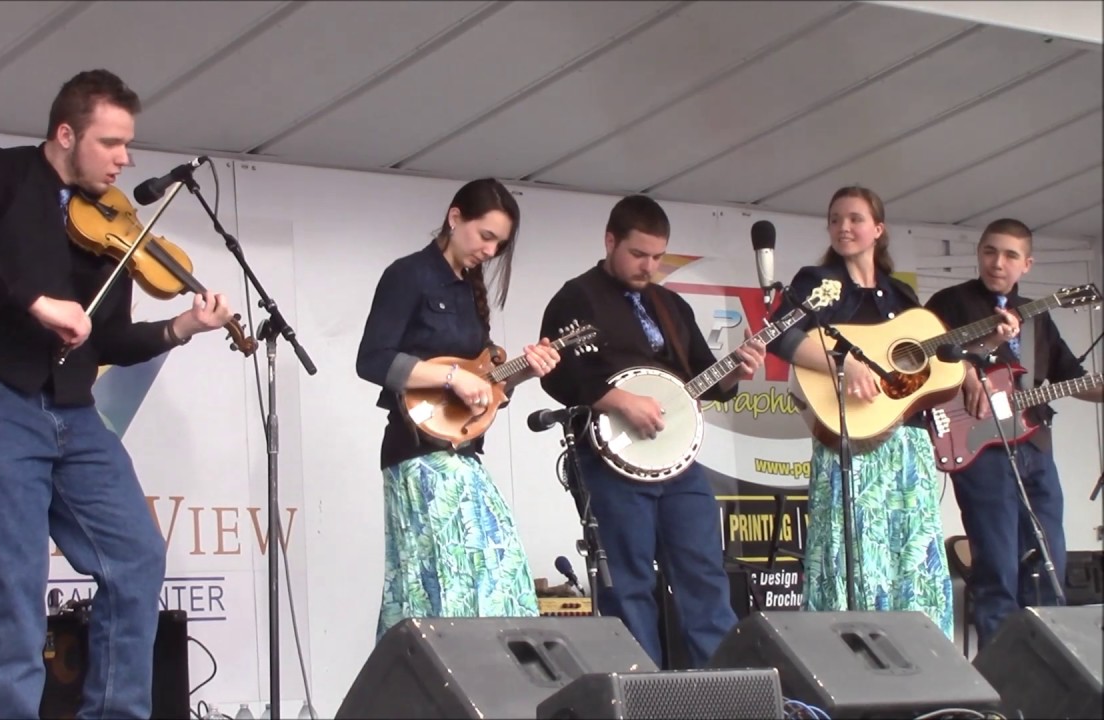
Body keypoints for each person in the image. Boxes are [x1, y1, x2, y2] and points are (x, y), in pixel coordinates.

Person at [0, 69, 235, 719]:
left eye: (128, 145)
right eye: (111, 143)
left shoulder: (109, 226)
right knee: (13, 590)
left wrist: (183, 326)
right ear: (66, 134)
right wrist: (34, 301)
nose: (125, 159)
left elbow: (109, 339)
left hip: (72, 413)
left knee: (138, 558)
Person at [767, 186, 1017, 636]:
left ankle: (917, 654)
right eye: (836, 218)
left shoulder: (900, 294)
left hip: (906, 444)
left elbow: (941, 362)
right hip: (851, 444)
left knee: (909, 558)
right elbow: (780, 336)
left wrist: (989, 345)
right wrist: (844, 364)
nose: (844, 227)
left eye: (856, 219)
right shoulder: (818, 283)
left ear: (877, 230)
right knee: (855, 556)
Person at [538, 195, 765, 669]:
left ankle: (723, 691)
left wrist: (736, 371)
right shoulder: (576, 298)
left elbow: (706, 376)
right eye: (638, 254)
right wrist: (621, 401)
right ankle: (643, 693)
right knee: (629, 581)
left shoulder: (671, 304)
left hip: (677, 463)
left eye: (658, 257)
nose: (649, 266)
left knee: (704, 573)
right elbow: (558, 375)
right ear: (610, 241)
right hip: (610, 460)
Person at [355, 178, 561, 639]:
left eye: (499, 244)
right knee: (440, 583)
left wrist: (525, 371)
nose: (490, 251)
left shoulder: (471, 293)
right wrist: (451, 376)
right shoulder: (407, 275)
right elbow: (371, 359)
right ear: (455, 218)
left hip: (462, 450)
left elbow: (480, 389)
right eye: (485, 236)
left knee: (499, 575)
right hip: (417, 453)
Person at [923, 218, 1103, 649]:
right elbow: (928, 360)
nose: (997, 262)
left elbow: (1074, 378)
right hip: (980, 448)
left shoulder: (1037, 317)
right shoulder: (950, 301)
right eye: (989, 251)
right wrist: (969, 366)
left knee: (1049, 565)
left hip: (1036, 446)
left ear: (1027, 264)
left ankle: (1046, 676)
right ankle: (1002, 688)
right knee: (997, 569)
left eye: (1009, 255)